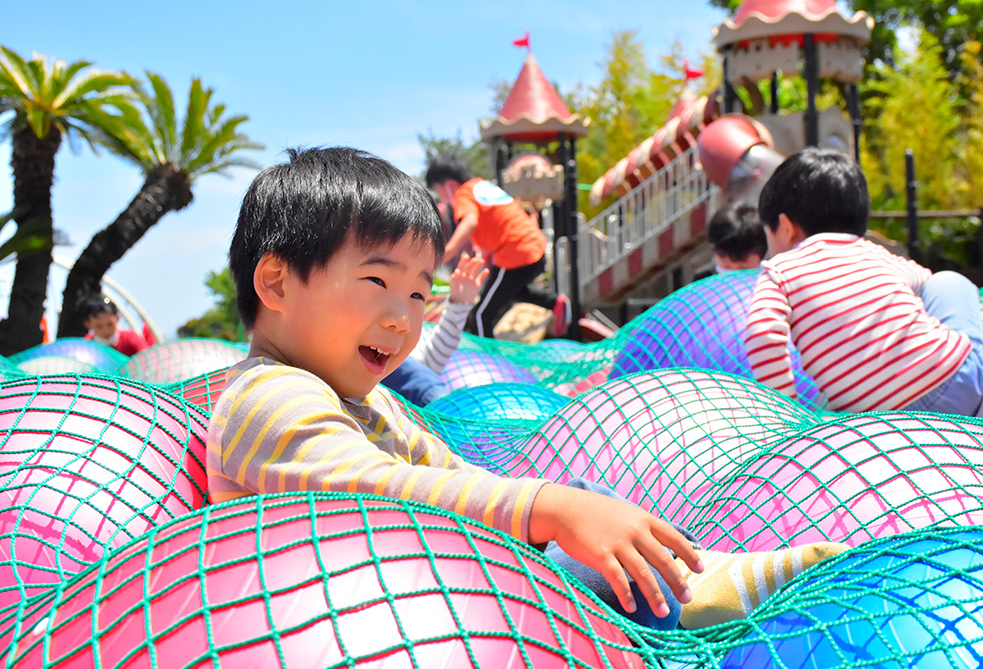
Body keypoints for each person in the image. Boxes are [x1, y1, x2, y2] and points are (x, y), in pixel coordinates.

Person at [209, 146, 846, 632]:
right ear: (277, 283)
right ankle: (680, 591)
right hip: (352, 621)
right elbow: (384, 490)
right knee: (562, 520)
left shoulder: (364, 399)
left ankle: (692, 571)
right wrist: (550, 508)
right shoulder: (270, 396)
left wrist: (562, 506)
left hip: (413, 595)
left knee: (579, 510)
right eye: (378, 283)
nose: (402, 320)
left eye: (416, 293)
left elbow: (446, 468)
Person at [743, 147, 983, 415]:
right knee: (948, 281)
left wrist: (790, 415)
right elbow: (925, 281)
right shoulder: (875, 253)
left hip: (871, 422)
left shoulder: (780, 269)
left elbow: (762, 333)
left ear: (786, 226)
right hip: (954, 386)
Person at [425, 152, 571, 338]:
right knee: (512, 290)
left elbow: (470, 222)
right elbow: (495, 228)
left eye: (438, 192)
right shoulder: (482, 186)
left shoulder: (463, 195)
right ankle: (556, 303)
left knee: (480, 314)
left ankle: (488, 361)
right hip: (533, 249)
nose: (442, 199)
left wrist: (446, 252)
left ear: (449, 185)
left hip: (516, 254)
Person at [381, 251, 488, 405]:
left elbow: (436, 355)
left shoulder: (416, 343)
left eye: (417, 295)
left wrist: (459, 303)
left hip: (425, 391)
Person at [694, 201, 768, 281]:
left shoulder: (773, 280)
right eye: (726, 267)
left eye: (744, 269)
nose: (734, 277)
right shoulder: (703, 280)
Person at [80, 294, 155, 357]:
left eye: (110, 324)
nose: (105, 331)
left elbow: (148, 361)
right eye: (99, 326)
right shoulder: (85, 347)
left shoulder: (130, 339)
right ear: (87, 324)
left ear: (118, 318)